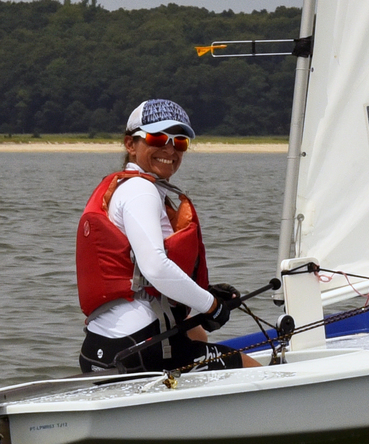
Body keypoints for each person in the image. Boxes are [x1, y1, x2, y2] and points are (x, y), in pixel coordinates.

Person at [75, 98, 260, 373]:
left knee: (197, 334)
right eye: (157, 137)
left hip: (102, 349)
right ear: (130, 144)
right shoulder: (140, 191)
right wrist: (211, 306)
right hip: (139, 351)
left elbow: (142, 274)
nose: (170, 149)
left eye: (180, 142)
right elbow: (155, 267)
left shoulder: (129, 188)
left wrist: (203, 292)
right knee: (251, 368)